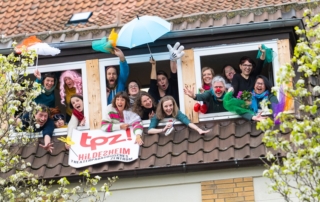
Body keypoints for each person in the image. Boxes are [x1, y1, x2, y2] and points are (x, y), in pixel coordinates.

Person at [148, 42, 184, 106]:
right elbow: (153, 82)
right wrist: (153, 65)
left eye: (163, 78)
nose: (162, 81)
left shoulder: (172, 86)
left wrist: (172, 59)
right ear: (157, 83)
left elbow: (174, 74)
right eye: (159, 80)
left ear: (167, 79)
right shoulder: (154, 92)